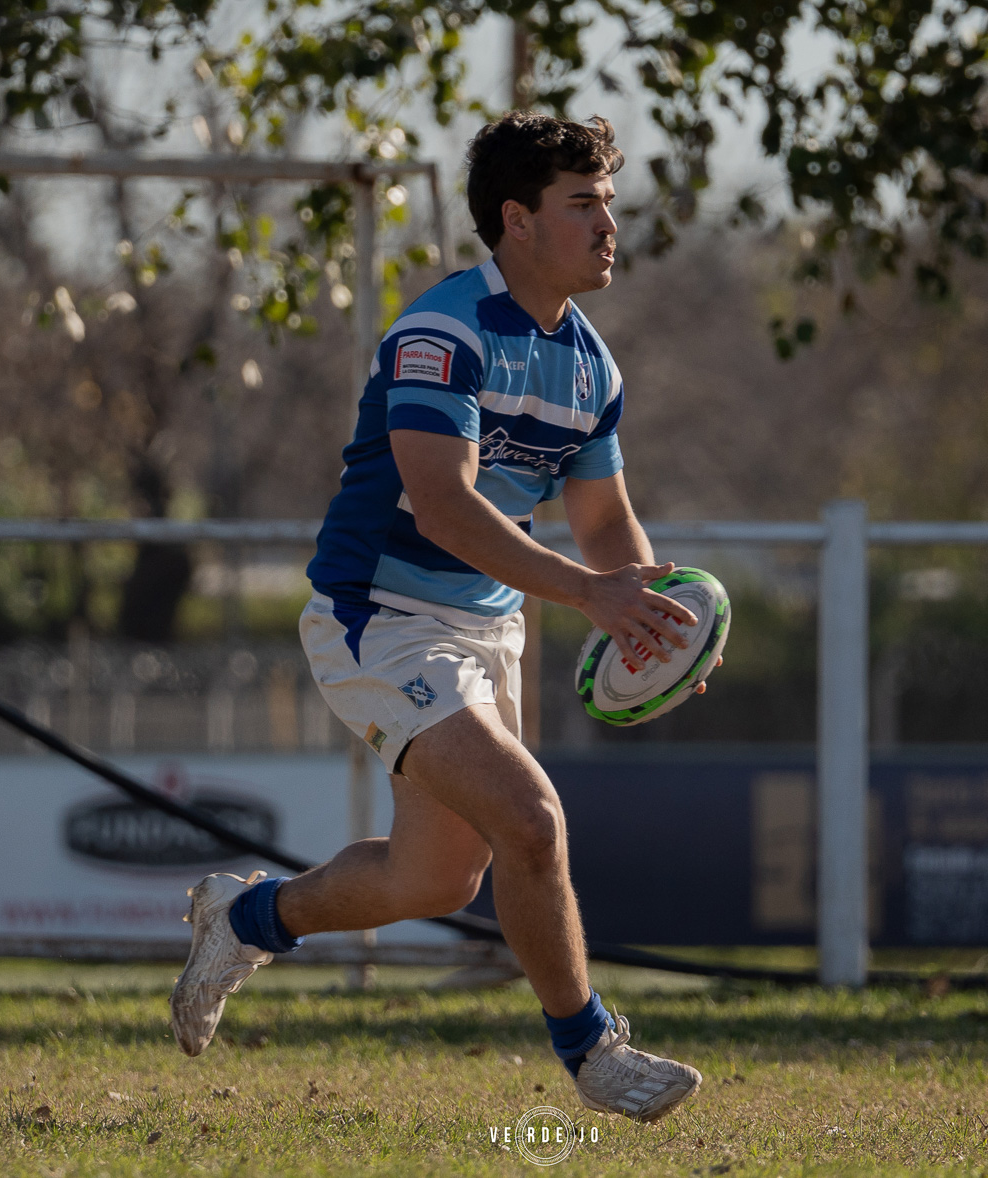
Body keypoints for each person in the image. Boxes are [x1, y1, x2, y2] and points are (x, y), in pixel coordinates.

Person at [170, 111, 712, 1123]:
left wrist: (654, 617)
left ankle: (244, 915)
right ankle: (593, 1048)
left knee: (434, 880)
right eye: (582, 202)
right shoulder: (442, 332)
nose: (607, 224)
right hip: (381, 613)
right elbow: (444, 502)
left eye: (607, 201)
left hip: (485, 626)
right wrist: (593, 595)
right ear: (516, 219)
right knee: (533, 818)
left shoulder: (593, 365)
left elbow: (600, 517)